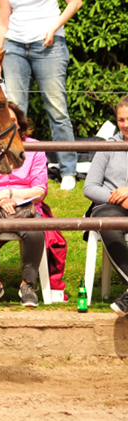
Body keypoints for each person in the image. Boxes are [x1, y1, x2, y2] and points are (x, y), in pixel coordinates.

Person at [0, 0, 82, 191]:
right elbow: (2, 21)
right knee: (14, 112)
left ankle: (68, 171)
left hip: (49, 44)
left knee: (57, 109)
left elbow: (76, 2)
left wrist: (53, 28)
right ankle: (19, 168)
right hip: (14, 46)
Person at [0, 102, 47, 308]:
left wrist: (12, 195)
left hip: (25, 206)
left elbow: (40, 189)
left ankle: (28, 285)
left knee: (35, 231)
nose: (7, 125)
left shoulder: (35, 148)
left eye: (12, 121)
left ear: (20, 124)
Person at [83, 95, 128, 317]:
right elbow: (90, 187)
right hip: (113, 205)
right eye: (121, 120)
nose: (126, 124)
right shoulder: (107, 146)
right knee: (108, 221)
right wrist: (118, 198)